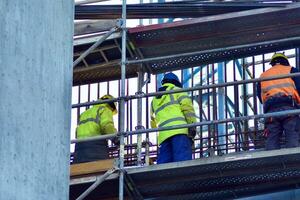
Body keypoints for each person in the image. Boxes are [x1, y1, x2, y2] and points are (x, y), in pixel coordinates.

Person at [150, 72, 197, 164]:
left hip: (163, 135)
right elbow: (188, 110)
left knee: (164, 166)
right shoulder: (178, 91)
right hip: (180, 131)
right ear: (176, 82)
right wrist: (192, 126)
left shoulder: (154, 99)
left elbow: (153, 121)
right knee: (183, 162)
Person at [257, 53, 300, 150]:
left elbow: (260, 97)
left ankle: (271, 163)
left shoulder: (263, 76)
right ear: (285, 61)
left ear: (272, 63)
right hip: (289, 107)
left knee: (272, 137)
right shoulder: (291, 70)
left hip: (271, 111)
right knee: (293, 134)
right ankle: (293, 162)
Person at [73, 94, 118, 163]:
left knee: (82, 171)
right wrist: (117, 139)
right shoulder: (105, 109)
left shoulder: (85, 113)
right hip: (96, 147)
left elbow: (77, 131)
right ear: (112, 107)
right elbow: (107, 126)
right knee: (102, 170)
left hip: (79, 149)